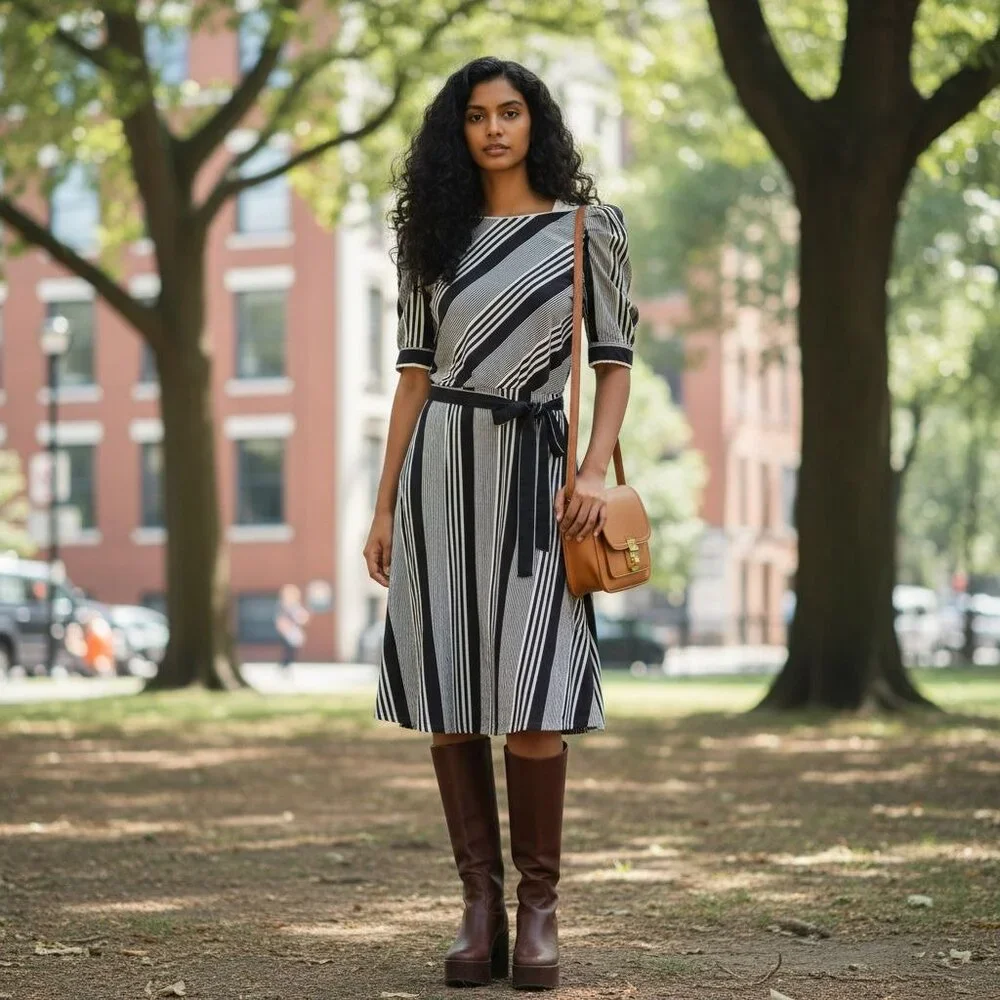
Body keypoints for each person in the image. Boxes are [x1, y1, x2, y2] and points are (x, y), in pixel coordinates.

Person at [362, 58, 638, 990]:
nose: (493, 129)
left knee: (531, 697)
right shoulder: (428, 240)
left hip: (537, 482)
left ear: (536, 122)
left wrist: (593, 469)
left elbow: (614, 362)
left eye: (510, 112)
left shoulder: (587, 230)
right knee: (450, 692)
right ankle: (476, 902)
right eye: (476, 115)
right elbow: (410, 377)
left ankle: (541, 908)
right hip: (440, 474)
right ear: (458, 131)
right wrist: (383, 501)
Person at [274, 584, 310, 674]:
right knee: (288, 650)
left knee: (292, 650)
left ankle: (285, 666)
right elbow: (280, 619)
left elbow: (301, 616)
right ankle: (284, 666)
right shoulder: (283, 606)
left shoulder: (295, 605)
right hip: (286, 631)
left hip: (293, 631)